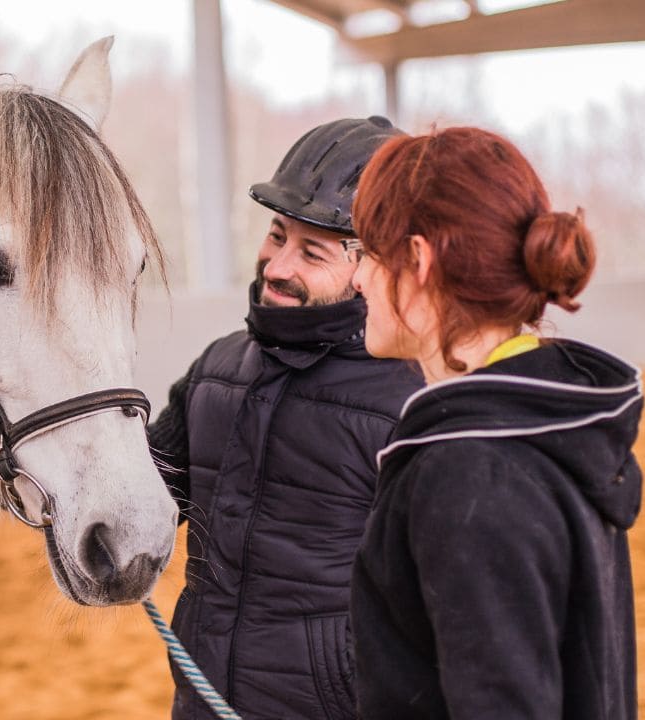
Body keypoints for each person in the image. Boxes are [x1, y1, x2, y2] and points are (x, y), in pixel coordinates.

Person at [347, 126, 642, 719]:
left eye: (368, 253)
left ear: (419, 260)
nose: (357, 278)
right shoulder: (547, 425)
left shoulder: (468, 472)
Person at [148, 116, 424, 719]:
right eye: (276, 236)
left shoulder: (417, 404)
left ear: (374, 266)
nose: (276, 266)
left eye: (311, 252)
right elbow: (139, 499)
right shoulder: (215, 370)